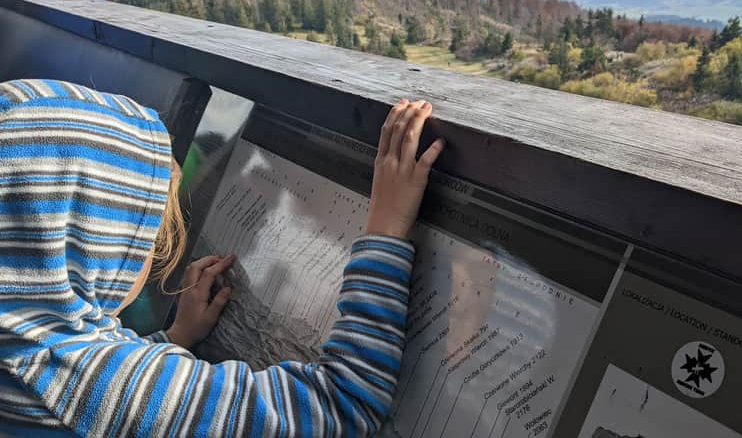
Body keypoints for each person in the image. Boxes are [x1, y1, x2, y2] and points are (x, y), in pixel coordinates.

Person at [0, 78, 445, 437]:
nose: (152, 253)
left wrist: (172, 339)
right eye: (143, 237)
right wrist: (387, 227)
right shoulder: (86, 387)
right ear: (89, 245)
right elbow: (344, 401)